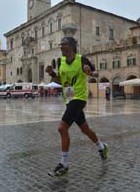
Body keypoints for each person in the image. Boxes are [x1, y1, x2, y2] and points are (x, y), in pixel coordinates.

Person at [46, 36, 109, 177]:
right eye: (60, 44)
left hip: (79, 98)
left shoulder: (82, 60)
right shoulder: (61, 61)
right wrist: (51, 74)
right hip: (69, 99)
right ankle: (101, 146)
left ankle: (64, 164)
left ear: (72, 46)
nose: (61, 46)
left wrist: (90, 72)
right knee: (85, 129)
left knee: (62, 128)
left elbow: (96, 74)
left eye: (64, 44)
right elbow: (61, 80)